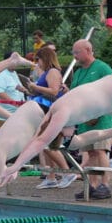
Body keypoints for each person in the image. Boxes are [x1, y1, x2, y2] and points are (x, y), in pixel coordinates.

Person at [68, 39, 112, 200]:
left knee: (101, 149)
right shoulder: (79, 72)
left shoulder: (102, 68)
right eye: (73, 53)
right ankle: (93, 185)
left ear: (88, 50)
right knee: (90, 152)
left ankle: (106, 184)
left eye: (77, 52)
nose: (75, 56)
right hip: (85, 118)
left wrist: (99, 112)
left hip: (100, 117)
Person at [24, 46, 76, 190]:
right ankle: (51, 176)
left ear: (44, 58)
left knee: (45, 143)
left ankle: (67, 172)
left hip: (50, 111)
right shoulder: (46, 73)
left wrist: (35, 87)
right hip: (45, 110)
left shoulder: (52, 72)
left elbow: (53, 91)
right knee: (45, 144)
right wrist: (28, 88)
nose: (37, 63)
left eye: (38, 59)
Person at [0, 52, 26, 139]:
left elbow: (17, 89)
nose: (16, 63)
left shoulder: (14, 73)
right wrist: (16, 104)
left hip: (15, 114)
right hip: (2, 116)